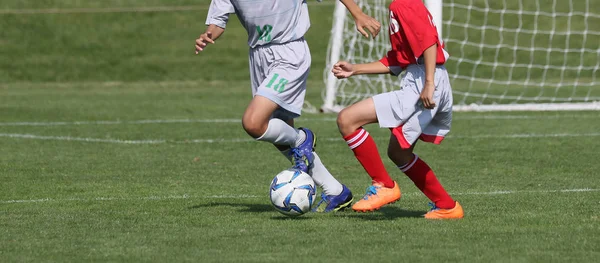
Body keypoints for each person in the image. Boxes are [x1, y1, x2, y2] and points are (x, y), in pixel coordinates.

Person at [195, 0, 381, 212]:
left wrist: (358, 14)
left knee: (254, 123)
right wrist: (208, 34)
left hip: (288, 54)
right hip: (258, 57)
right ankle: (335, 190)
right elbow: (218, 22)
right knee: (280, 132)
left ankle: (303, 138)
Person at [331, 0, 464, 219]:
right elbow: (399, 60)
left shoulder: (402, 4)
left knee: (347, 119)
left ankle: (384, 185)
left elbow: (429, 43)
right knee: (398, 152)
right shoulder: (403, 4)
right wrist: (356, 69)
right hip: (426, 77)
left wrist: (429, 83)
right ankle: (447, 206)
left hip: (423, 80)